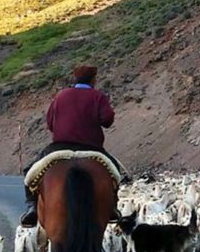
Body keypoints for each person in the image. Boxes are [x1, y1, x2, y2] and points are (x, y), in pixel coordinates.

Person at [20, 66, 127, 227]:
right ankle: (112, 207)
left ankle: (32, 208)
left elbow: (50, 123)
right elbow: (107, 120)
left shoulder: (60, 96)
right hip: (91, 147)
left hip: (59, 146)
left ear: (75, 79)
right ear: (93, 79)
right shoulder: (98, 96)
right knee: (115, 172)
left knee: (30, 172)